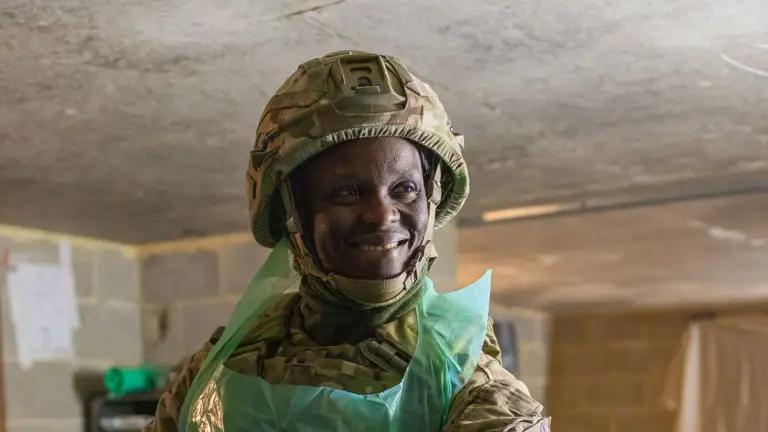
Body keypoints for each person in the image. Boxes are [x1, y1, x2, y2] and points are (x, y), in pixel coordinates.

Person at [144, 50, 551, 432]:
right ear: (294, 213)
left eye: (405, 189)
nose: (381, 214)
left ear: (431, 198)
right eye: (346, 193)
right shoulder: (221, 368)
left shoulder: (466, 381)